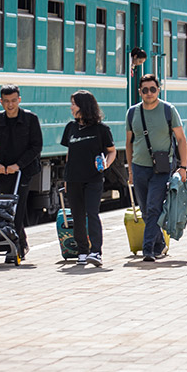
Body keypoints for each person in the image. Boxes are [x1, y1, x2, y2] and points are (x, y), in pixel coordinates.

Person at [125, 74, 187, 261]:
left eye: (153, 89)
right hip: (138, 167)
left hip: (161, 169)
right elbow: (128, 143)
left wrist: (183, 166)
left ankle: (148, 250)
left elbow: (181, 139)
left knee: (153, 208)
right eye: (145, 90)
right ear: (140, 92)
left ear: (158, 90)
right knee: (145, 210)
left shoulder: (169, 110)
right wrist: (129, 169)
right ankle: (160, 244)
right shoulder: (132, 113)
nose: (149, 93)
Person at [0, 84, 43, 262]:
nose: (10, 105)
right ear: (1, 102)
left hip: (24, 170)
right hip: (3, 171)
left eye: (13, 101)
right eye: (6, 101)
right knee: (6, 208)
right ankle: (20, 243)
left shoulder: (31, 119)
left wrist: (19, 165)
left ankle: (13, 248)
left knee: (18, 206)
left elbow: (36, 146)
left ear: (19, 100)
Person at [61, 90, 116, 267]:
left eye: (74, 104)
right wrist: (66, 178)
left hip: (93, 179)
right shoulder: (70, 128)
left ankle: (96, 252)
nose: (71, 108)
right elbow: (69, 154)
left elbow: (112, 151)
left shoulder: (101, 129)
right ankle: (82, 251)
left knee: (92, 213)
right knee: (77, 216)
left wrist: (106, 164)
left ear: (83, 106)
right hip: (74, 179)